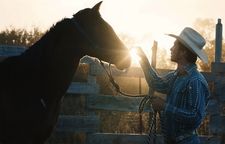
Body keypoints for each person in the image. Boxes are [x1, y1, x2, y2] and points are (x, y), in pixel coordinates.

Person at [136, 27, 209, 144]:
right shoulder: (176, 76)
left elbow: (195, 118)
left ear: (183, 52)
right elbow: (156, 82)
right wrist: (143, 59)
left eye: (174, 46)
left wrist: (165, 106)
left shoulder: (195, 81)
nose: (171, 48)